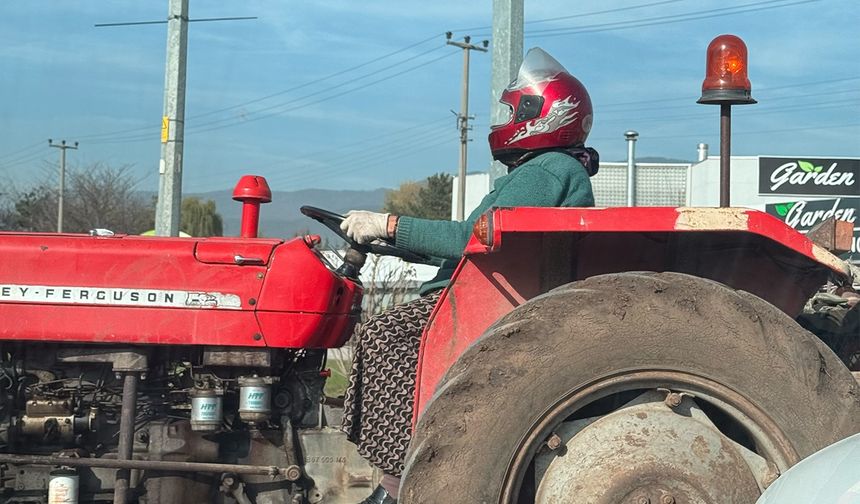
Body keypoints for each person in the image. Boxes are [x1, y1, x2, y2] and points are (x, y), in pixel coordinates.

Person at [339, 47, 599, 504]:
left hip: (485, 303)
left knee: (387, 337)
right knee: (388, 334)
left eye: (513, 110)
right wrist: (394, 241)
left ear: (544, 115)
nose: (503, 120)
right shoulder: (548, 169)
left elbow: (469, 239)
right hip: (483, 289)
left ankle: (398, 487)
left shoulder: (546, 169)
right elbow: (471, 245)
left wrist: (390, 225)